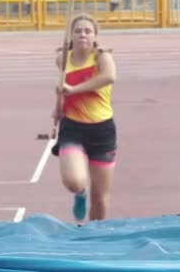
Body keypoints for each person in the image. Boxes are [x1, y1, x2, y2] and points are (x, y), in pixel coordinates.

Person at [50, 13, 118, 224]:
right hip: (72, 127)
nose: (83, 34)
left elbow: (109, 77)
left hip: (102, 130)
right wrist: (57, 108)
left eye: (88, 31)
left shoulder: (101, 57)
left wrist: (74, 90)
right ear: (71, 35)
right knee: (74, 181)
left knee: (100, 199)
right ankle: (80, 194)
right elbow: (62, 88)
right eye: (78, 31)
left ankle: (95, 237)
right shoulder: (63, 58)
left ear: (95, 36)